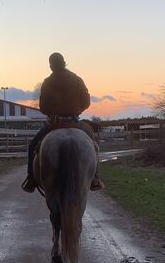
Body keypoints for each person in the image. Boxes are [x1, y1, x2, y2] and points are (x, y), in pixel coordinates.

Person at [21, 52, 105, 192]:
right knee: (93, 145)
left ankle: (31, 179)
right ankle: (95, 179)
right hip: (74, 122)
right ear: (64, 62)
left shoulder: (47, 82)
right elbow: (86, 102)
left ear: (50, 66)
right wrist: (76, 110)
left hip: (54, 123)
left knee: (32, 146)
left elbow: (43, 107)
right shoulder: (77, 80)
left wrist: (52, 112)